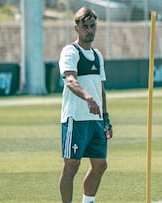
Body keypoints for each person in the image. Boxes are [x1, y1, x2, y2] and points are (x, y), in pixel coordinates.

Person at [58, 7, 113, 203]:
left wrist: (105, 117)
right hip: (76, 119)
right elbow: (70, 80)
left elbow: (101, 89)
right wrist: (88, 98)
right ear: (77, 28)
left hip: (96, 121)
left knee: (100, 165)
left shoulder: (97, 55)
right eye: (86, 27)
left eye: (93, 26)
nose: (90, 30)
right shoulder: (70, 52)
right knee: (71, 166)